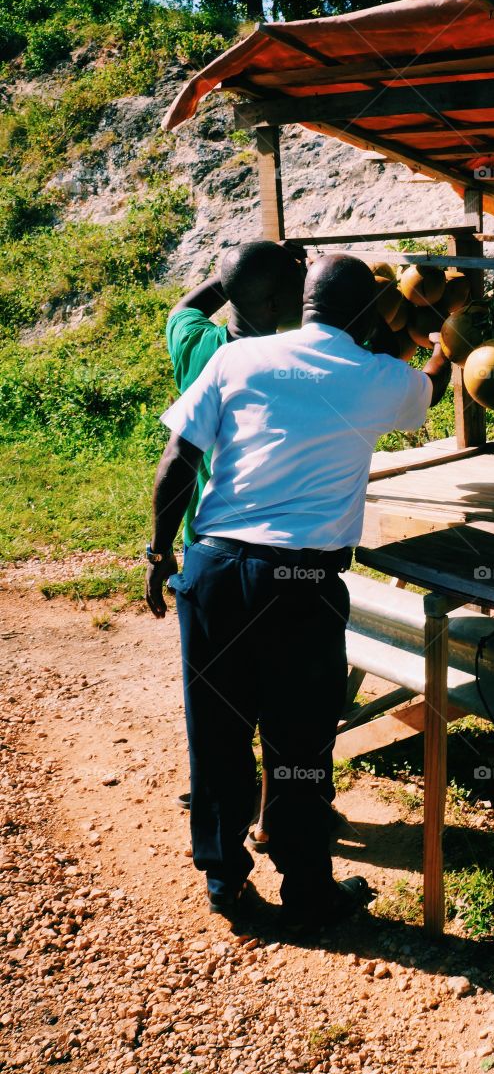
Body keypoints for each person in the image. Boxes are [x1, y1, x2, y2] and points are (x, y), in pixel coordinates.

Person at [145, 254, 451, 927]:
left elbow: (179, 460)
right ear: (368, 314)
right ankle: (307, 886)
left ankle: (225, 883)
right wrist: (447, 342)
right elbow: (432, 385)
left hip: (216, 573)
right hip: (302, 588)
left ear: (301, 303)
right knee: (301, 742)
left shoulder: (235, 358)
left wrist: (156, 550)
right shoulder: (376, 377)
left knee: (218, 736)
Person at [166, 240, 304, 840]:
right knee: (281, 702)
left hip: (206, 551)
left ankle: (222, 805)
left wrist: (240, 276)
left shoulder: (198, 345)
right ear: (277, 299)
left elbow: (183, 309)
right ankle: (276, 817)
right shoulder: (289, 367)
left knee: (219, 705)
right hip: (274, 557)